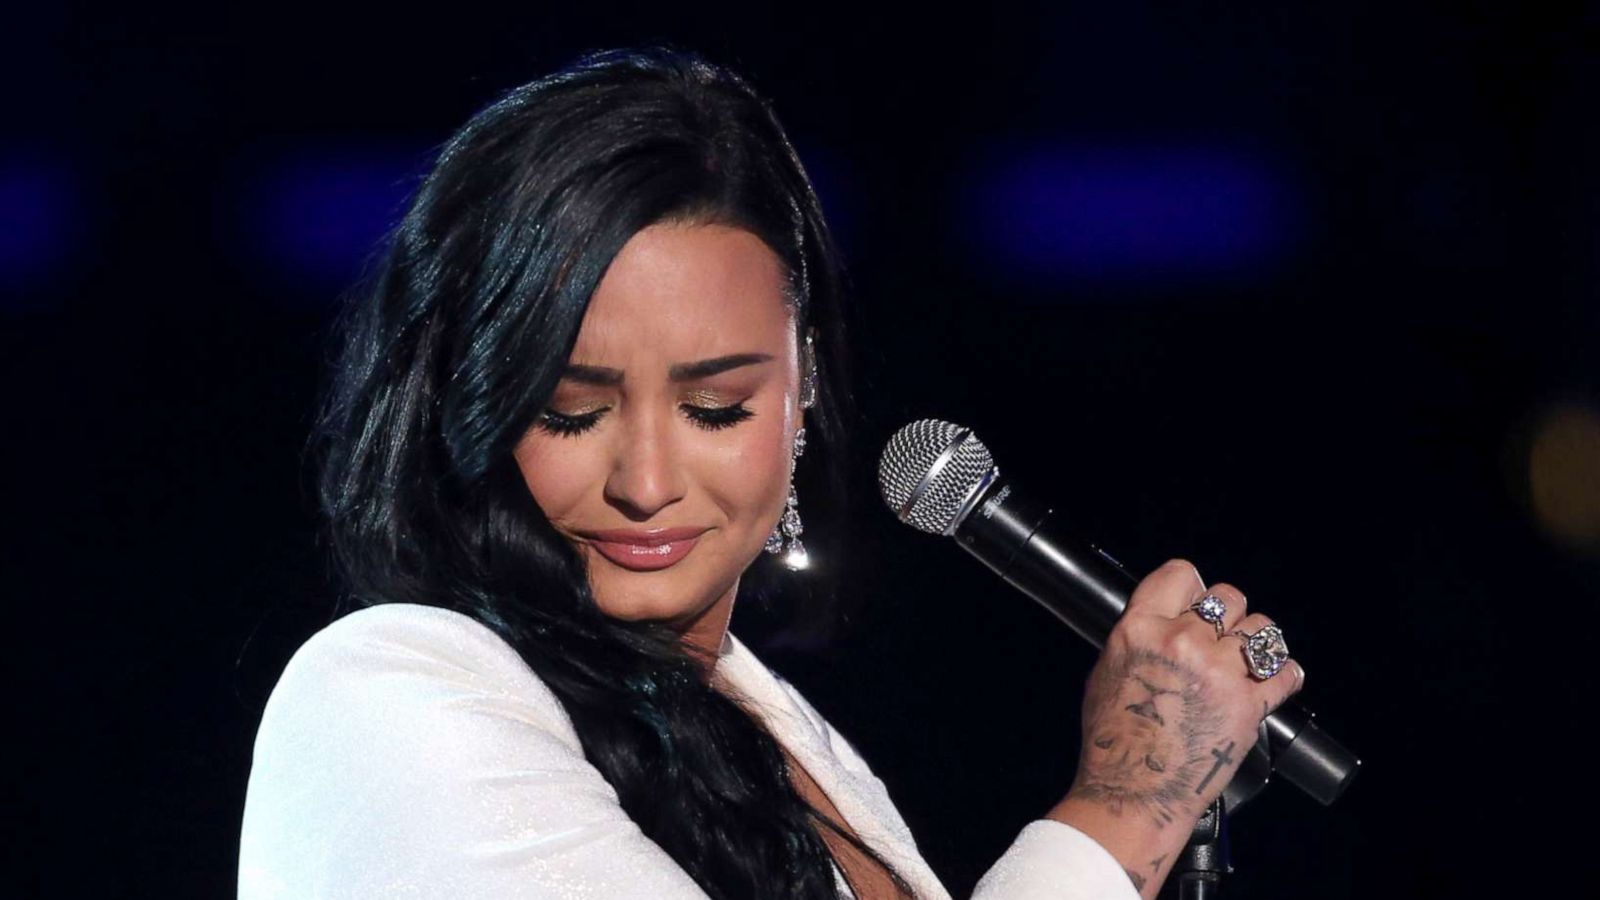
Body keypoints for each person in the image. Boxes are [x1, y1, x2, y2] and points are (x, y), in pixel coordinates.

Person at [237, 46, 1305, 899]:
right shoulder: (390, 696)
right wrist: (1122, 809)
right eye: (569, 412)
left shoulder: (789, 747)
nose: (646, 480)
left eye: (716, 407)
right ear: (470, 409)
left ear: (801, 403)